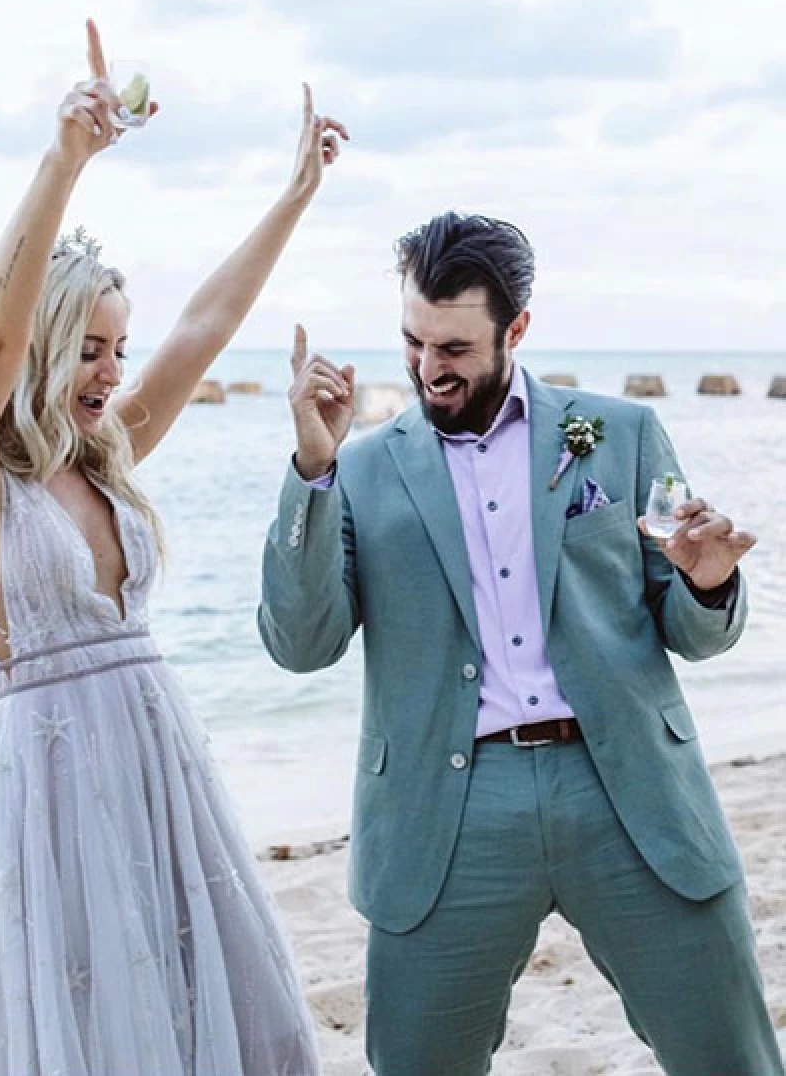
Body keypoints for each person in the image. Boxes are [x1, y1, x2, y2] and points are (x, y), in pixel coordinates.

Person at [0, 18, 346, 1075]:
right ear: (46, 344)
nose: (110, 371)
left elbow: (202, 327)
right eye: (87, 349)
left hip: (162, 760)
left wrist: (293, 197)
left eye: (115, 347)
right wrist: (65, 160)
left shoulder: (106, 454)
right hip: (52, 788)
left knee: (218, 1015)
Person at [258, 211, 784, 1075]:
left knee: (731, 1057)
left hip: (629, 792)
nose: (430, 369)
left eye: (456, 348)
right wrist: (312, 473)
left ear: (517, 330)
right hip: (448, 813)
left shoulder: (621, 435)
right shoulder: (358, 469)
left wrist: (709, 581)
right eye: (414, 342)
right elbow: (302, 645)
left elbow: (692, 634)